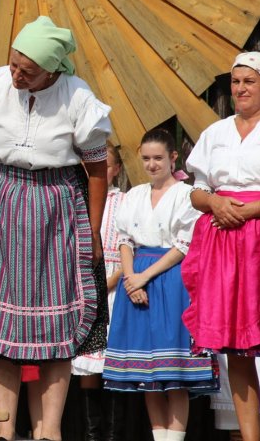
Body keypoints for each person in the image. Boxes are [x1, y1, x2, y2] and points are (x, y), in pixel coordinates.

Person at [0, 15, 111, 441]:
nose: (16, 75)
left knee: (56, 327)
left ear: (53, 70)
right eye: (14, 63)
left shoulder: (77, 96)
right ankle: (4, 431)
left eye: (28, 70)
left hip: (56, 208)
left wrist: (93, 232)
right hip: (0, 202)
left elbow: (97, 172)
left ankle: (49, 432)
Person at [102, 129, 217, 441]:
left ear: (172, 158)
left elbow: (183, 245)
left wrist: (144, 277)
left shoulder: (185, 195)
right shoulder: (134, 195)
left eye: (158, 158)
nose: (151, 165)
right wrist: (131, 280)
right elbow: (125, 240)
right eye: (146, 159)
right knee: (147, 373)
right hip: (135, 281)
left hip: (171, 280)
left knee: (174, 373)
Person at [181, 51, 260, 441]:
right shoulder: (216, 133)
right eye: (235, 82)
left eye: (249, 81)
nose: (240, 89)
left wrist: (250, 211)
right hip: (224, 242)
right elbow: (196, 191)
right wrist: (215, 203)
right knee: (238, 348)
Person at [71, 145, 125, 441]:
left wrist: (109, 282)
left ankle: (113, 435)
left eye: (106, 165)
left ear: (116, 169)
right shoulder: (76, 198)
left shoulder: (123, 201)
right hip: (82, 288)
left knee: (112, 364)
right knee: (88, 367)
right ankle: (92, 435)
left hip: (115, 287)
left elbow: (130, 245)